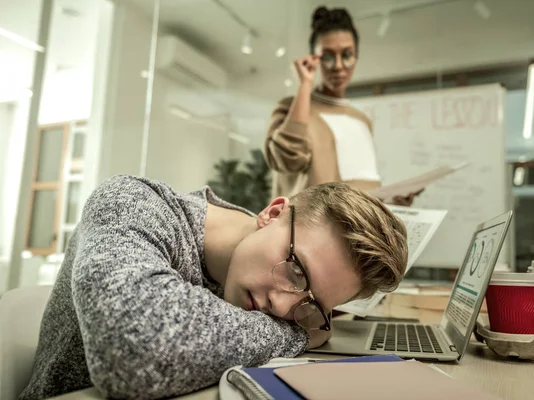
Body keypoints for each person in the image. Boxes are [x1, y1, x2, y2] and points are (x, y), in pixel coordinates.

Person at [20, 175, 408, 400]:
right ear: (272, 213)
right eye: (296, 271)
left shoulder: (261, 278)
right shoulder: (132, 202)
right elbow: (133, 346)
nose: (281, 304)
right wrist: (295, 335)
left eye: (309, 304)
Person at [264, 6, 421, 205]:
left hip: (358, 233)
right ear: (314, 60)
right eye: (328, 56)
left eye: (346, 55)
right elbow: (286, 160)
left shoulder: (361, 120)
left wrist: (391, 202)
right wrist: (304, 85)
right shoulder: (291, 107)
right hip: (310, 231)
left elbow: (363, 193)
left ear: (356, 57)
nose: (338, 66)